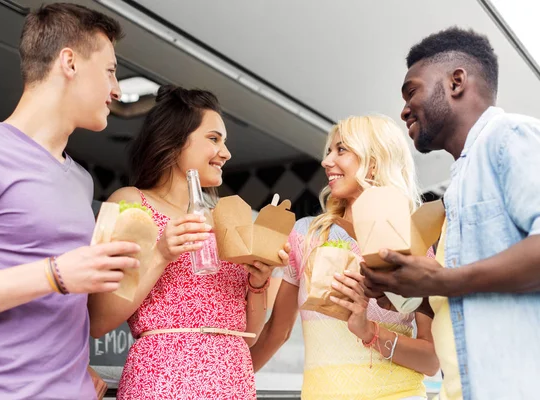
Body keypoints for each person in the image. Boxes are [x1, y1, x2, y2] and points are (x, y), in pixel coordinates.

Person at [0, 4, 140, 399]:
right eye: (110, 71)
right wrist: (53, 274)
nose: (117, 90)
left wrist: (78, 368)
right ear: (69, 62)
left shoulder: (81, 180)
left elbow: (58, 312)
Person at [362, 27, 540, 399]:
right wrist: (401, 289)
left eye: (412, 91)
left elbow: (453, 281)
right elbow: (462, 291)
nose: (404, 108)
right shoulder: (458, 183)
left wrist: (440, 281)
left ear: (456, 81)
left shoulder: (509, 137)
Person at [88, 85, 288, 399]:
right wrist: (161, 254)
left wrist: (259, 283)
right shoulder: (128, 203)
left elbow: (248, 335)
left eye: (225, 141)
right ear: (175, 140)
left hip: (233, 381)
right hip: (162, 380)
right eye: (214, 139)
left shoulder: (228, 218)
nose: (226, 153)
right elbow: (98, 320)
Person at [250, 115, 439, 400]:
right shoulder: (305, 235)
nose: (327, 162)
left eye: (341, 150)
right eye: (329, 152)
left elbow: (431, 361)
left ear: (373, 162)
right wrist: (225, 384)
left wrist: (369, 332)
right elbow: (277, 331)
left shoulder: (412, 242)